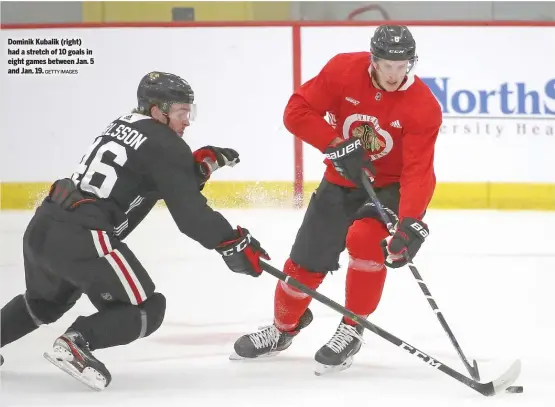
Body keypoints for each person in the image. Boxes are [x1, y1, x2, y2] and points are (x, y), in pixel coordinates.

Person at [0, 71, 269, 390]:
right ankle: (76, 344)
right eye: (183, 112)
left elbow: (143, 179)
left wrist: (192, 171)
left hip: (45, 225)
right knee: (146, 309)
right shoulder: (166, 143)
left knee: (45, 301)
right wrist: (232, 242)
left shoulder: (124, 123)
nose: (188, 121)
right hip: (83, 234)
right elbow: (191, 216)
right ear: (158, 111)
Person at [231, 25, 442, 375]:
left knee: (365, 240)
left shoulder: (423, 106)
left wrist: (407, 223)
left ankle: (351, 326)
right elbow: (296, 111)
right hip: (341, 179)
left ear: (411, 62)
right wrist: (335, 144)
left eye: (402, 65)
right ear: (372, 60)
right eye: (386, 64)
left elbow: (418, 171)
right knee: (304, 262)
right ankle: (283, 329)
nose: (394, 73)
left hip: (389, 187)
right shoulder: (343, 70)